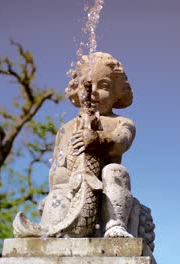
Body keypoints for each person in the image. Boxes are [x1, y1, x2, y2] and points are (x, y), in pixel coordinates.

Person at [40, 52, 136, 238]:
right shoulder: (65, 129)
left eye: (104, 85)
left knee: (116, 172)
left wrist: (98, 139)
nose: (93, 91)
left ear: (118, 94)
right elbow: (57, 166)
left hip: (104, 186)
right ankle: (53, 229)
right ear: (77, 89)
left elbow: (121, 142)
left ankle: (114, 224)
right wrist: (52, 191)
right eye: (87, 85)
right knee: (58, 191)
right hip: (71, 187)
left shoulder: (122, 122)